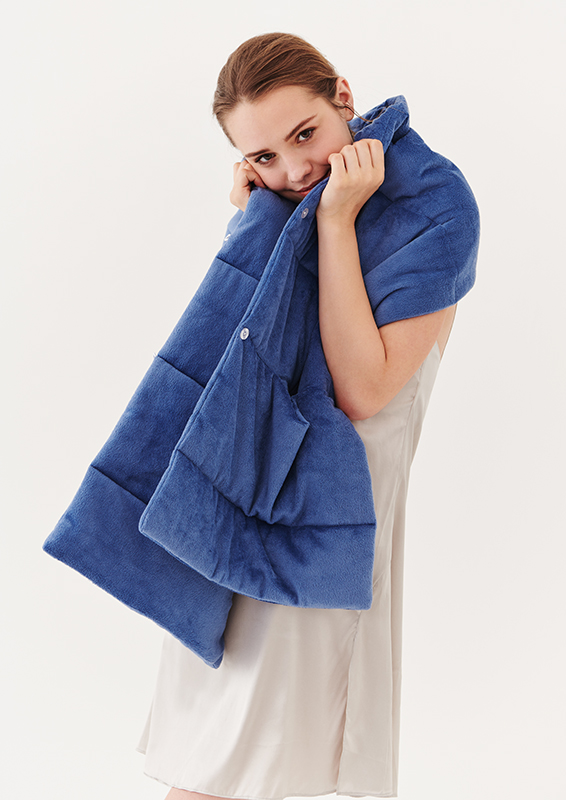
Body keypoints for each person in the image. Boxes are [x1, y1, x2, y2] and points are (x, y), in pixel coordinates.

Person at [136, 31, 478, 800]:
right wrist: (257, 223)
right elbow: (249, 352)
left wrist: (334, 222)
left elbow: (363, 389)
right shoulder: (286, 205)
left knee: (239, 775)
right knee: (210, 772)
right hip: (236, 508)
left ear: (343, 98)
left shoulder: (433, 205)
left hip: (322, 526)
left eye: (304, 134)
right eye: (262, 157)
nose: (293, 172)